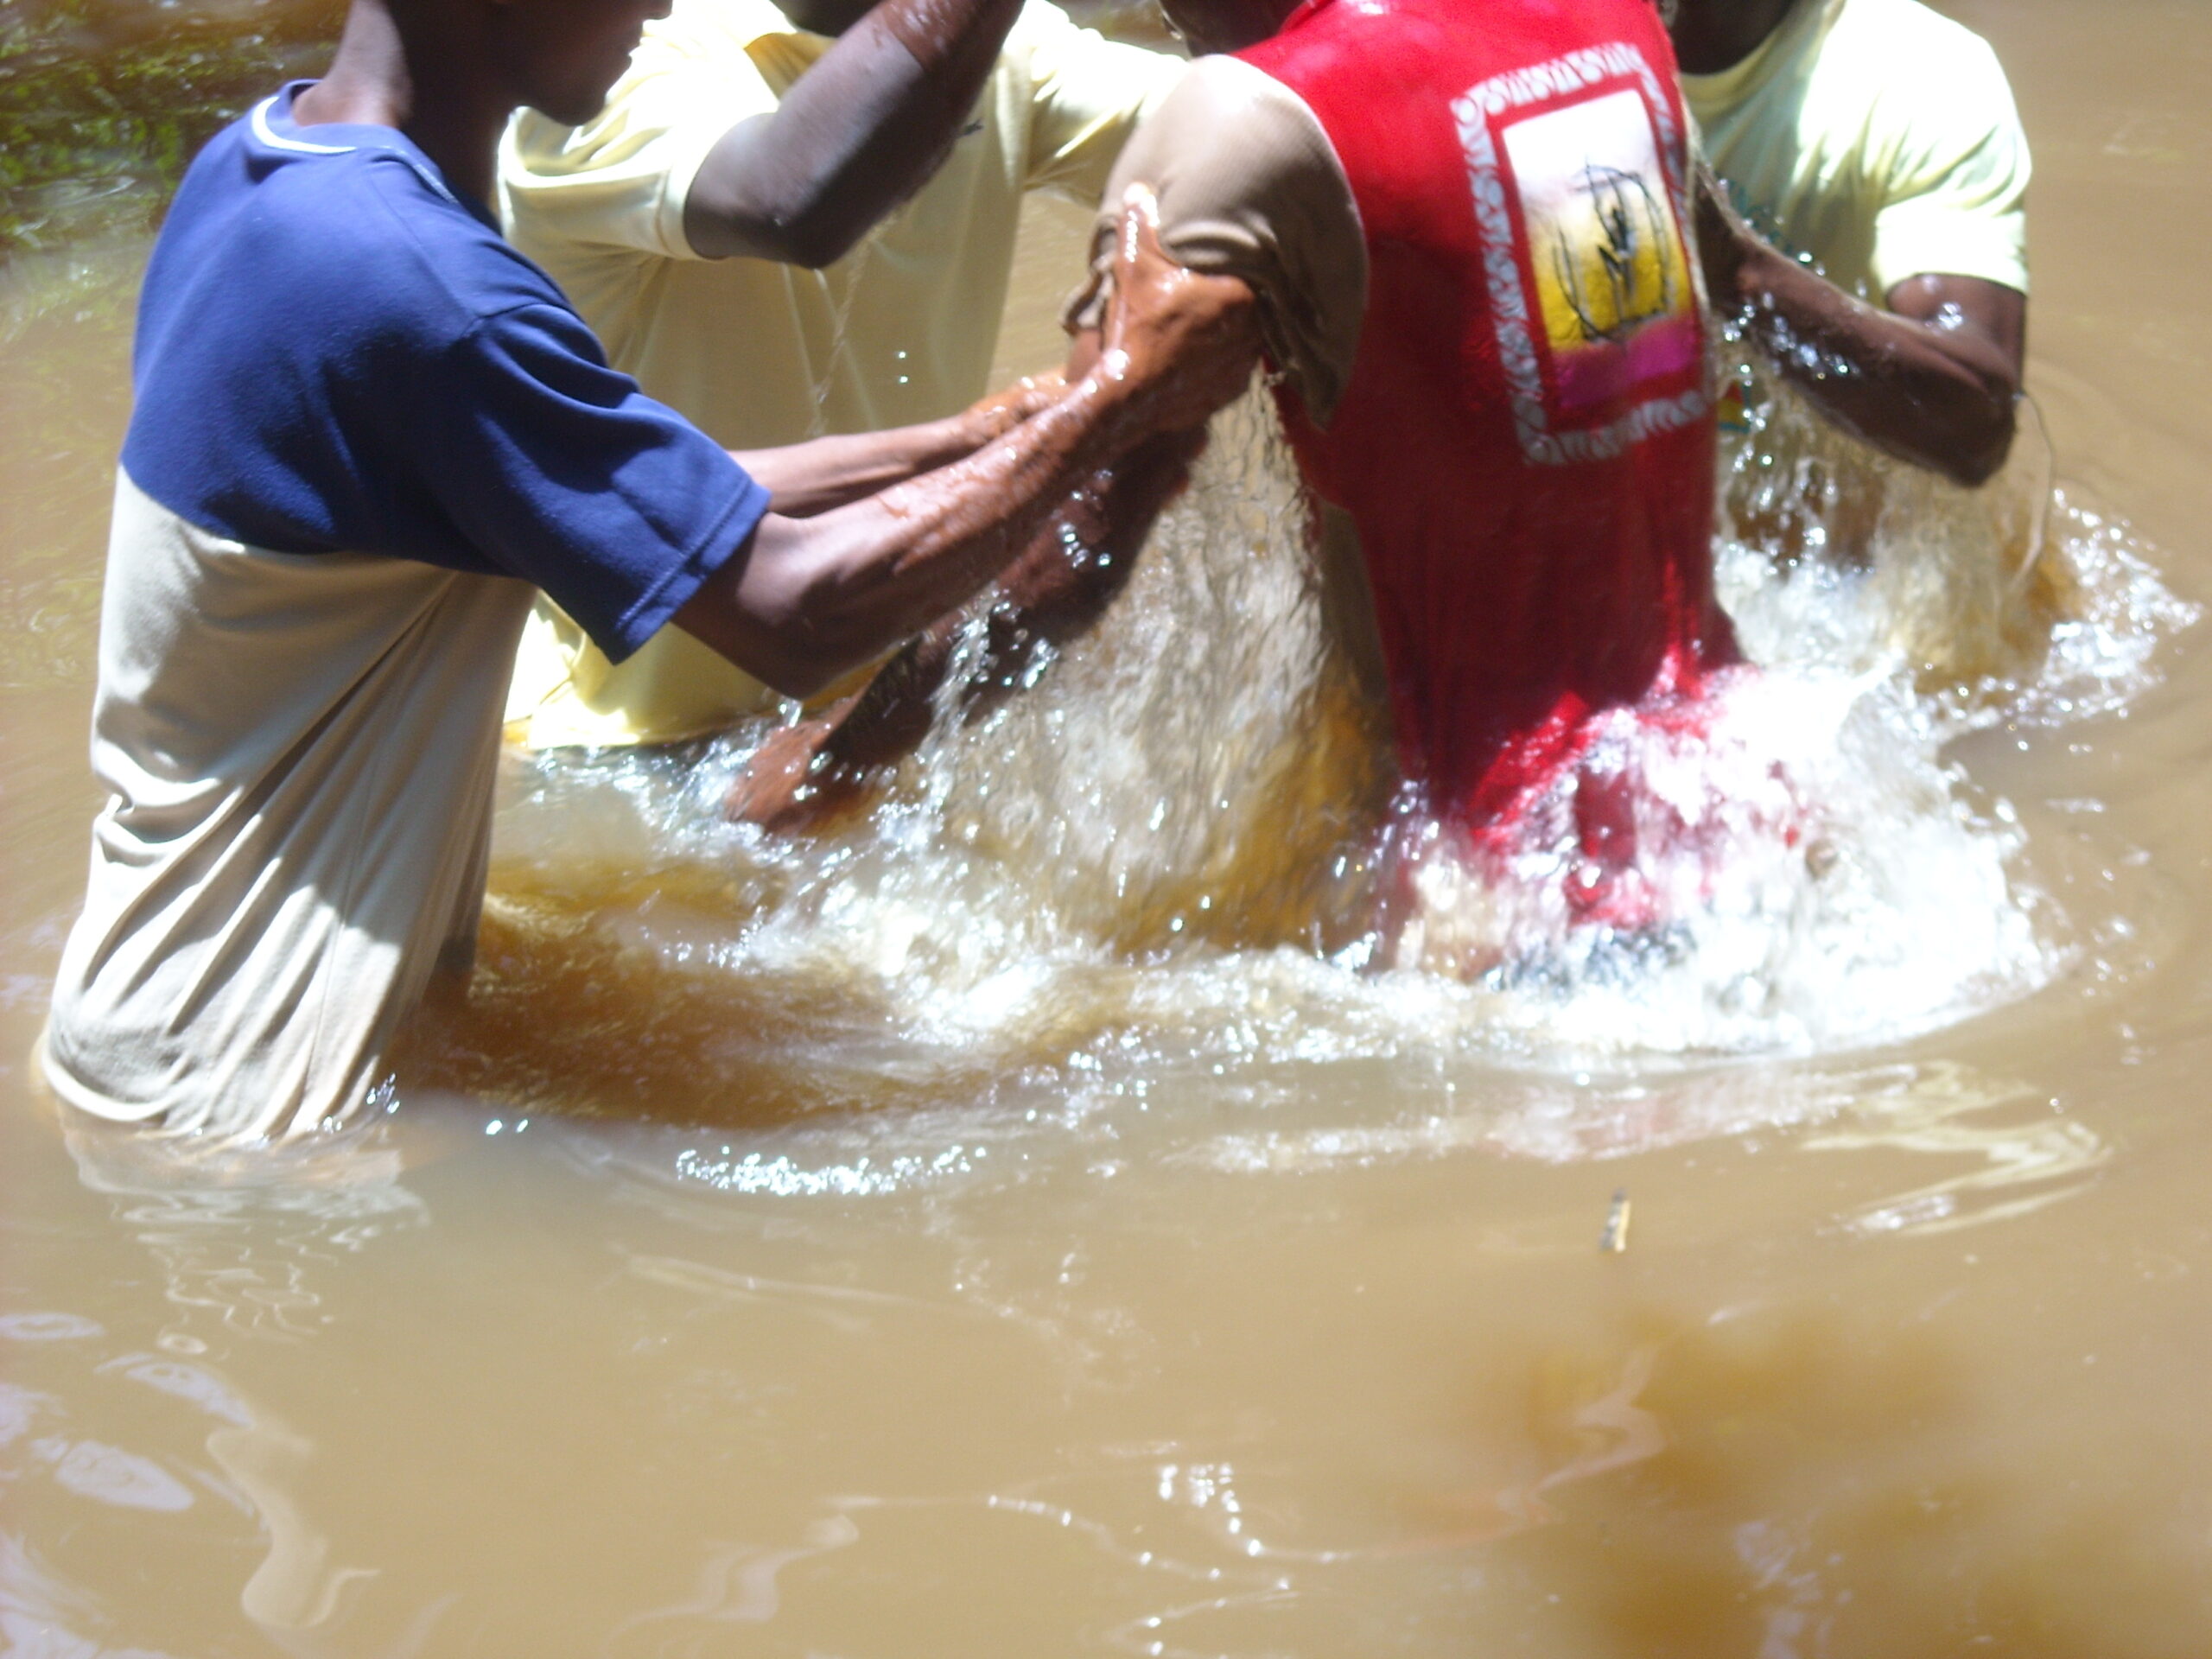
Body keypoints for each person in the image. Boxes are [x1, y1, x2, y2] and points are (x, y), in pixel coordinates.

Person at [37, 0, 1257, 1141]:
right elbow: (792, 613)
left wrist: (1017, 424)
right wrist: (1117, 400)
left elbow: (662, 486)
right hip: (249, 1115)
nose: (662, 3)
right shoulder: (411, 285)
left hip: (156, 1052)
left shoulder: (272, 177)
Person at [733, 0, 1749, 962]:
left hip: (1494, 900)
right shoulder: (1608, 21)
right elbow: (1745, 298)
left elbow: (1068, 561)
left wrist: (833, 767)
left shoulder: (1248, 120)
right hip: (1741, 801)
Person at [499, 0, 1186, 747]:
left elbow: (1248, 128)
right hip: (607, 746)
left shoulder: (1005, 47)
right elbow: (793, 204)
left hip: (866, 703)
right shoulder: (618, 60)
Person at [1672, 0, 2031, 488]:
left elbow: (1975, 429)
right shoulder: (1542, 55)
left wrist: (1737, 273)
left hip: (1827, 546)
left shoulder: (1925, 77)